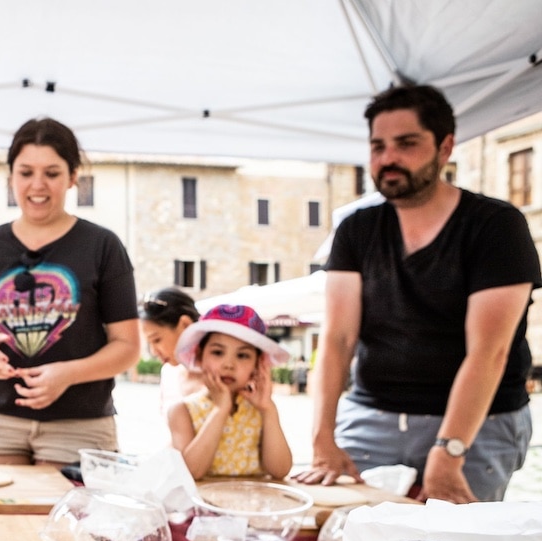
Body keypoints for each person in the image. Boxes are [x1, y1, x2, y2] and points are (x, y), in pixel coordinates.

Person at [293, 84, 541, 503]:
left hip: (479, 422)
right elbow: (336, 340)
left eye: (406, 144)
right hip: (373, 413)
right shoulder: (357, 229)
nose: (388, 158)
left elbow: (489, 352)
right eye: (378, 146)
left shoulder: (496, 226)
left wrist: (449, 451)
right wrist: (322, 440)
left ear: (445, 148)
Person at [0, 117, 142, 466]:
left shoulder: (103, 246)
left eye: (51, 173)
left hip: (80, 423)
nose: (38, 185)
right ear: (11, 178)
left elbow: (127, 348)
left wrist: (68, 374)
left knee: (69, 519)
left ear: (73, 177)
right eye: (25, 172)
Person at [168, 305, 293, 480]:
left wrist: (268, 410)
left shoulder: (261, 410)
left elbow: (280, 470)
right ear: (199, 355)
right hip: (204, 505)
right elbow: (191, 473)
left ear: (258, 365)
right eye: (218, 352)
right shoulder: (182, 411)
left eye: (242, 356)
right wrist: (220, 410)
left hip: (253, 503)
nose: (229, 365)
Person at [139, 287, 204, 412]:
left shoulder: (221, 372)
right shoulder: (169, 373)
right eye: (149, 343)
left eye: (157, 340)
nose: (154, 352)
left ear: (185, 324)